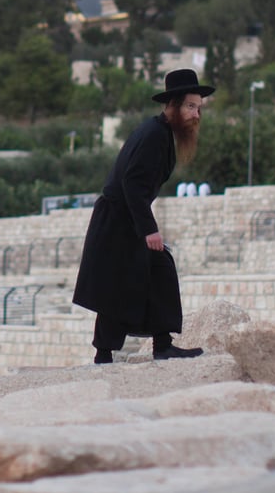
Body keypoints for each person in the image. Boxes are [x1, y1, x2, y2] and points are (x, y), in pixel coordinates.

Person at [73, 69, 212, 363]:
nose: (196, 114)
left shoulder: (160, 133)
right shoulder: (153, 135)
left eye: (198, 108)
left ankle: (146, 347)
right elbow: (133, 183)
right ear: (172, 105)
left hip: (124, 218)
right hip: (119, 220)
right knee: (132, 279)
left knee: (139, 276)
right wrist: (149, 230)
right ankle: (122, 352)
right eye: (190, 106)